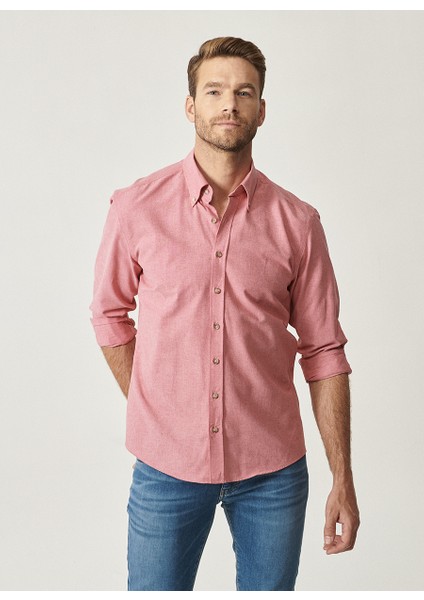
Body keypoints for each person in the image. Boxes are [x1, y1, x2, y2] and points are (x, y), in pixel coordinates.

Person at [89, 36, 360, 591]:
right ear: (190, 106)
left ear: (262, 110)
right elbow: (109, 313)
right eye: (214, 91)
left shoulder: (298, 223)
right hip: (165, 467)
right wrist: (152, 400)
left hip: (273, 474)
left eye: (244, 92)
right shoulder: (136, 206)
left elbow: (324, 351)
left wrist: (343, 477)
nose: (229, 104)